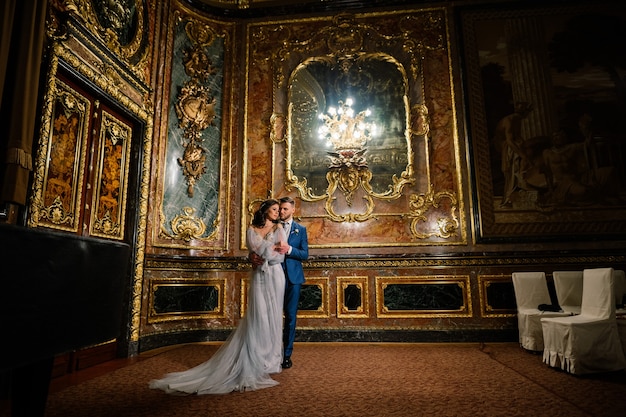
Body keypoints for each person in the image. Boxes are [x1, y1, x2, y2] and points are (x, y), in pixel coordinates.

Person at [149, 199, 287, 395]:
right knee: (259, 315)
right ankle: (257, 357)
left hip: (276, 276)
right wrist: (259, 254)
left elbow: (279, 256)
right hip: (259, 276)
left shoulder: (279, 228)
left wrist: (264, 252)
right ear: (264, 211)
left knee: (273, 316)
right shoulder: (252, 229)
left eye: (277, 210)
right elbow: (255, 251)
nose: (276, 213)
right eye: (273, 210)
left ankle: (272, 361)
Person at [250, 196, 309, 369]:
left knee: (290, 317)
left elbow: (305, 254)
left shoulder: (300, 229)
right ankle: (267, 354)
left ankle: (286, 355)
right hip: (269, 276)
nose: (281, 212)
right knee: (267, 315)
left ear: (292, 210)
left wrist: (289, 249)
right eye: (279, 209)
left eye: (285, 209)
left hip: (292, 279)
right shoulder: (269, 225)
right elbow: (256, 246)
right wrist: (251, 257)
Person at [494, 102, 533, 207]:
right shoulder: (509, 121)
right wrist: (522, 155)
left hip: (513, 145)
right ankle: (509, 196)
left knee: (520, 166)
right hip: (507, 148)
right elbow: (510, 141)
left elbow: (517, 137)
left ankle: (522, 186)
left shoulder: (517, 119)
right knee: (512, 170)